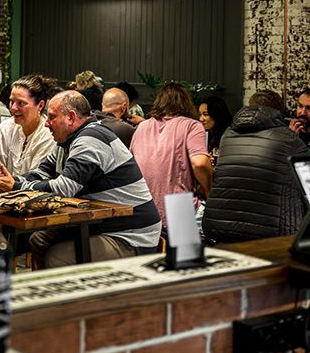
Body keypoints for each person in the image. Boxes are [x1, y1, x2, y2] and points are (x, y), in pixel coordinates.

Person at [0, 90, 161, 267]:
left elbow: (64, 188)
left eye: (52, 117)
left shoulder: (90, 139)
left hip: (131, 235)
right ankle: (48, 293)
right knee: (39, 240)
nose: (46, 124)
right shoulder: (66, 142)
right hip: (103, 225)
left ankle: (76, 294)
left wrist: (15, 186)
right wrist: (10, 181)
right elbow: (42, 172)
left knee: (58, 257)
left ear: (71, 118)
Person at [202, 90, 310, 243]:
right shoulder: (290, 139)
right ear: (278, 113)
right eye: (300, 106)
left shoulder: (227, 135)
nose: (302, 112)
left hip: (219, 226)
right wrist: (293, 138)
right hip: (273, 232)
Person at [131, 83, 213, 231]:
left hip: (144, 208)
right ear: (186, 102)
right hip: (179, 206)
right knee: (189, 253)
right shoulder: (192, 125)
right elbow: (200, 163)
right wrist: (209, 191)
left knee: (154, 254)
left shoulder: (141, 127)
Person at [0, 75, 55, 176]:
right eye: (11, 101)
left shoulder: (49, 135)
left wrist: (10, 185)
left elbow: (35, 178)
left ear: (40, 105)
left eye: (20, 103)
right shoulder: (5, 128)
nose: (13, 108)